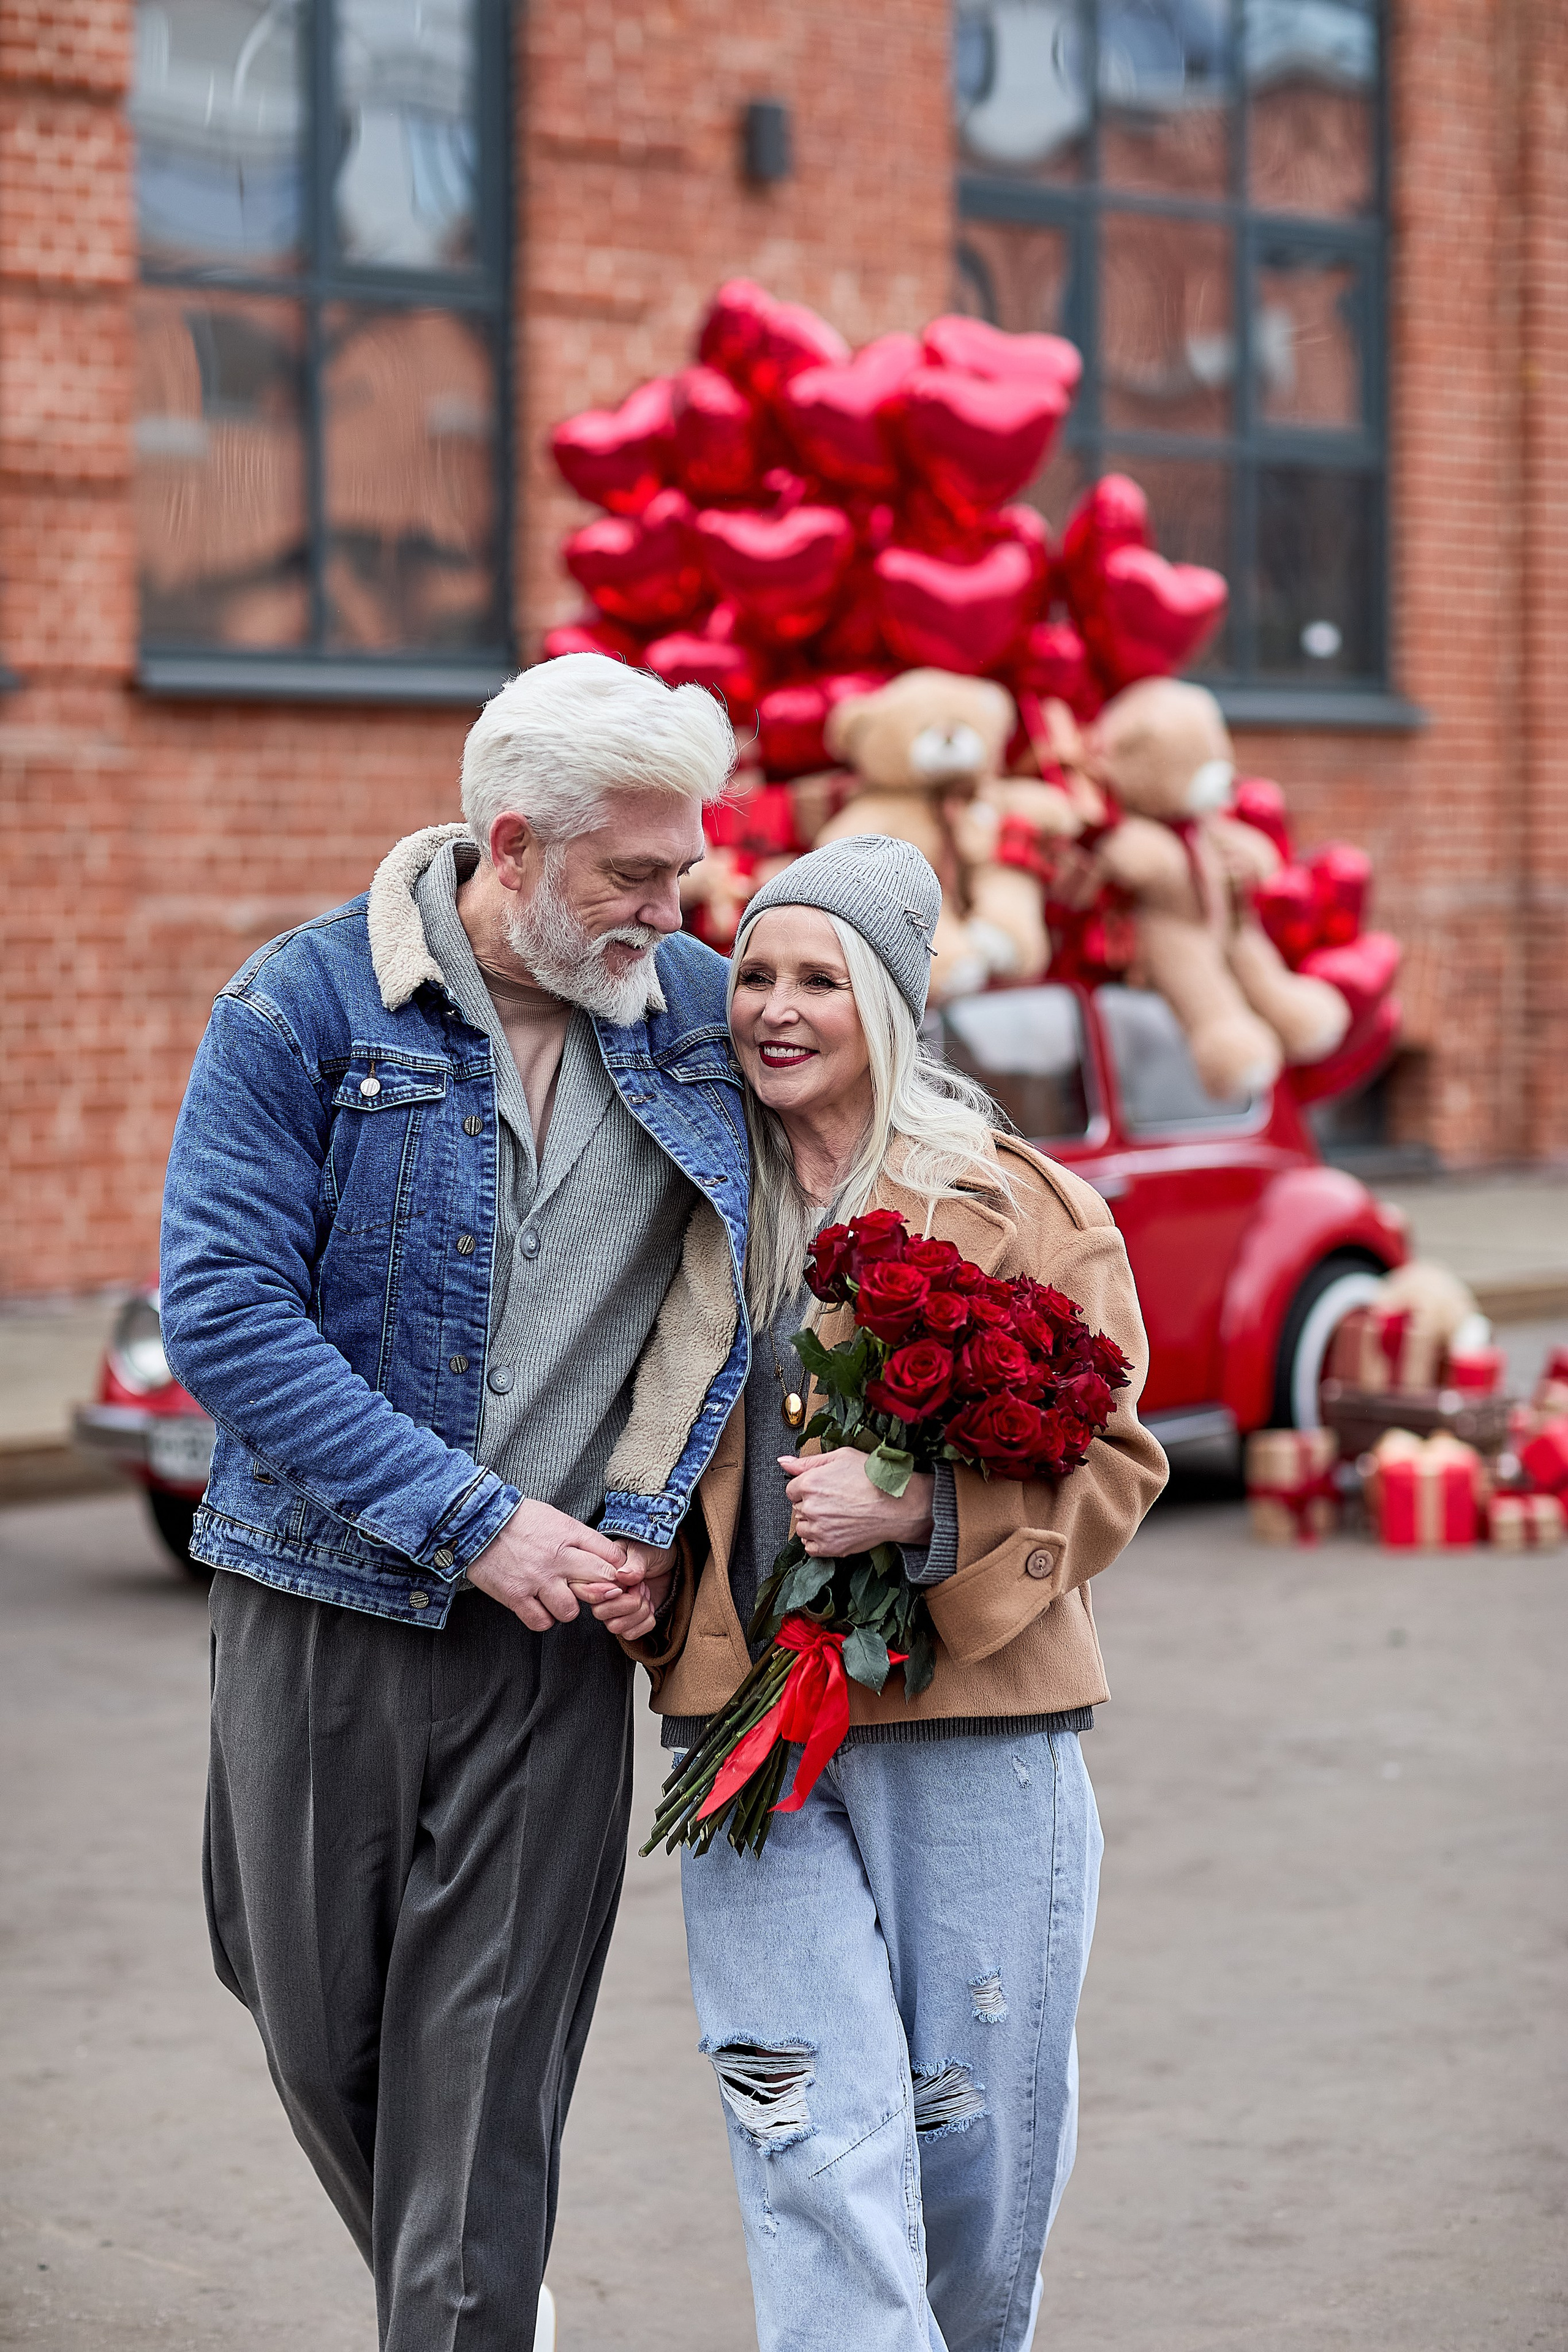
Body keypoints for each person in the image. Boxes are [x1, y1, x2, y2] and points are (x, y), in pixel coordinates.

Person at [157, 654, 750, 2351]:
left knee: (484, 2077)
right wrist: (469, 1517)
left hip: (554, 1642)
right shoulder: (304, 1008)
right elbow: (226, 1316)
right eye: (633, 873)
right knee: (305, 2011)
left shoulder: (705, 1019)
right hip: (317, 1603)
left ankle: (467, 2300)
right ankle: (468, 2279)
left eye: (682, 865)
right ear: (514, 847)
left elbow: (842, 1188)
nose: (670, 904)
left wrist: (650, 1523)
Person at [619, 835, 1168, 2352]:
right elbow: (630, 1430)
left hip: (974, 1729)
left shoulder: (1022, 1204)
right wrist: (630, 1564)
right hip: (748, 1742)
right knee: (795, 2111)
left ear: (884, 1002)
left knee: (969, 2132)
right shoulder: (684, 1203)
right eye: (751, 975)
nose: (772, 1010)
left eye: (817, 979)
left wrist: (922, 1508)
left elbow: (1116, 1460)